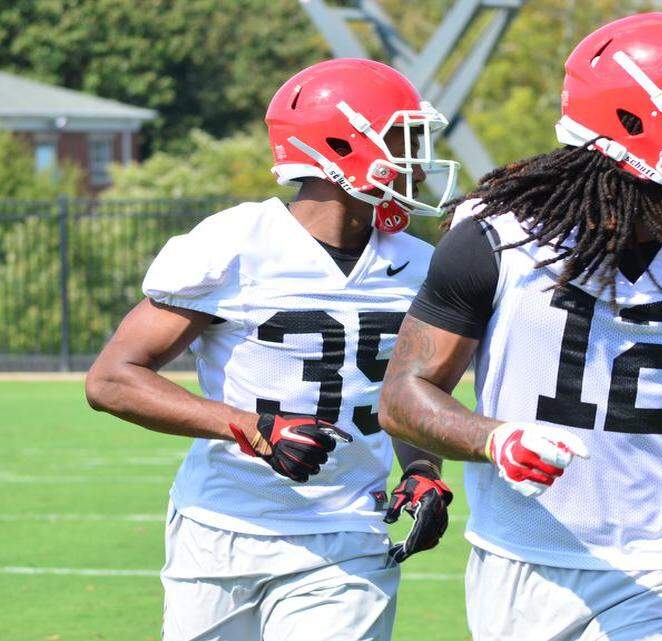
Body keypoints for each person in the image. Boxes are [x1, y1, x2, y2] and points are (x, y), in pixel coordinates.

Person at [379, 13, 662, 640]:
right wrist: (496, 440)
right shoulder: (499, 242)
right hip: (524, 556)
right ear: (634, 121)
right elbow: (403, 398)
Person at [85, 58, 458, 641]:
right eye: (403, 139)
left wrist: (420, 467)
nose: (419, 160)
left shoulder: (418, 263)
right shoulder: (238, 242)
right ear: (341, 144)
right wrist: (251, 427)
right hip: (223, 528)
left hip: (348, 532)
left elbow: (402, 394)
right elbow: (111, 379)